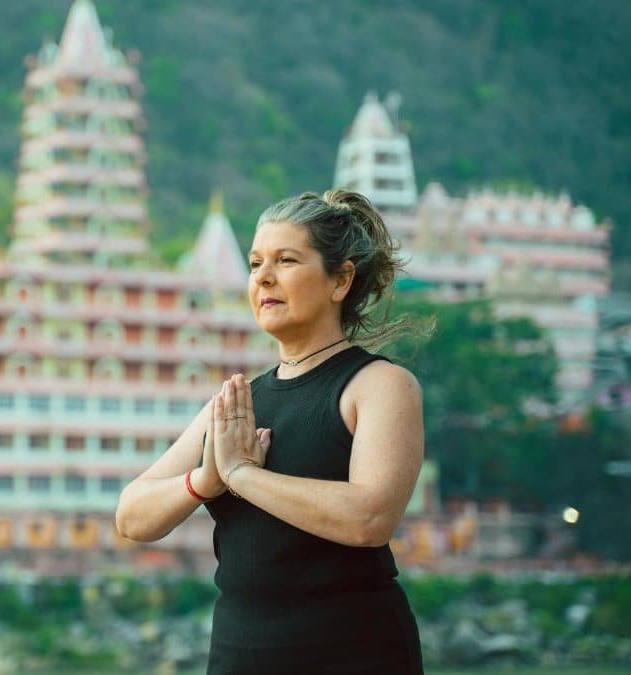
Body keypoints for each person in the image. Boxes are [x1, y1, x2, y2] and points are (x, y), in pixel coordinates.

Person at [115, 189, 426, 674]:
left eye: (286, 260)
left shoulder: (379, 386)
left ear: (340, 280)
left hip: (353, 654)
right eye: (255, 262)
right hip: (239, 654)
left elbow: (369, 519)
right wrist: (203, 482)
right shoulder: (240, 400)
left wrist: (241, 475)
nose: (263, 277)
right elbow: (132, 517)